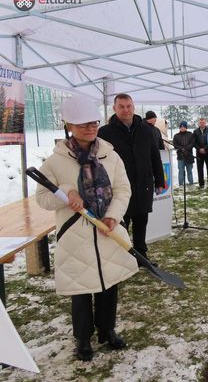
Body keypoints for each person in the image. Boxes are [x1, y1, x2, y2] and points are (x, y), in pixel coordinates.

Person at [35, 95, 138, 362]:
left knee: (109, 283)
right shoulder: (56, 161)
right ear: (69, 125)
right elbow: (42, 198)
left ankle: (107, 330)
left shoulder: (109, 155)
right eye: (83, 125)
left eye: (93, 123)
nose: (90, 129)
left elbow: (123, 190)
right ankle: (83, 339)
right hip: (76, 235)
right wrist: (67, 194)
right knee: (81, 290)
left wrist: (113, 216)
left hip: (107, 230)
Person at [98, 93, 164, 265]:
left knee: (141, 220)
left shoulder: (146, 129)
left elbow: (154, 155)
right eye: (121, 106)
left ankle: (141, 255)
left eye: (129, 106)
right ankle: (121, 257)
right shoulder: (104, 132)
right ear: (114, 108)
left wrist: (160, 179)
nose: (126, 110)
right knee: (121, 222)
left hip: (143, 183)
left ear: (134, 107)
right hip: (118, 186)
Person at [173, 121, 195, 186]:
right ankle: (181, 184)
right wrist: (182, 149)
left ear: (186, 127)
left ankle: (191, 183)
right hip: (180, 156)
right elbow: (175, 145)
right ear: (179, 128)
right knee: (181, 171)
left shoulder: (190, 134)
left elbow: (192, 143)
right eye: (181, 127)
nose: (182, 128)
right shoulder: (176, 136)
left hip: (189, 156)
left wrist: (186, 149)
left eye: (184, 127)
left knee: (189, 171)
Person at [193, 118, 208, 189]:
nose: (202, 124)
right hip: (199, 153)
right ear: (198, 123)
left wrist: (205, 148)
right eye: (200, 122)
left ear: (206, 123)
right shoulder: (195, 131)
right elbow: (194, 142)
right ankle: (201, 184)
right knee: (200, 169)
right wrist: (199, 149)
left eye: (203, 122)